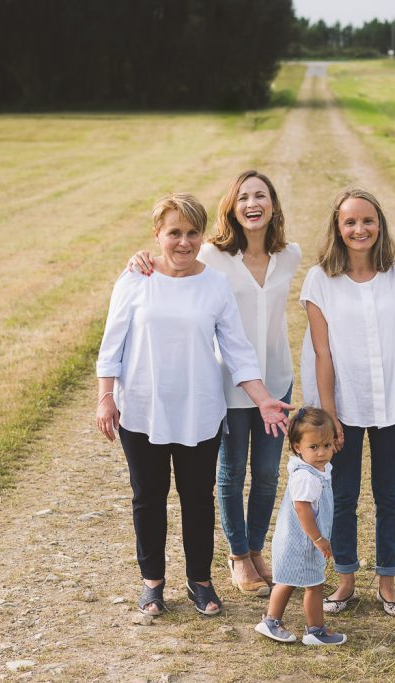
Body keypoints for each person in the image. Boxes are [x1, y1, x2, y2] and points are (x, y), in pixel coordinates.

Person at [96, 192, 292, 618]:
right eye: (173, 233)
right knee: (147, 497)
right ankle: (152, 584)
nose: (183, 242)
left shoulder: (214, 284)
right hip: (143, 409)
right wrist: (106, 397)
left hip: (199, 409)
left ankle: (200, 582)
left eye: (191, 233)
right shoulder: (135, 279)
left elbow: (237, 349)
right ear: (157, 235)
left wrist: (262, 401)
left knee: (198, 498)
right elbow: (112, 344)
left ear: (201, 235)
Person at [299, 188, 395, 617]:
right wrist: (330, 417)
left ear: (380, 225)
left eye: (367, 221)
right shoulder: (320, 280)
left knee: (389, 494)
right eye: (350, 222)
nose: (360, 229)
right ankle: (347, 580)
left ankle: (387, 581)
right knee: (344, 495)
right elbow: (323, 354)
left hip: (392, 402)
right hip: (346, 406)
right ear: (338, 228)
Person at [255, 407, 346, 646]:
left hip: (299, 539)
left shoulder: (319, 470)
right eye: (313, 447)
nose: (321, 453)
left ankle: (275, 621)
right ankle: (313, 630)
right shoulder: (305, 477)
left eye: (327, 445)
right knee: (310, 584)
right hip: (303, 540)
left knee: (291, 580)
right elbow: (302, 510)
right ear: (298, 447)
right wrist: (318, 539)